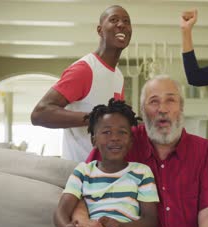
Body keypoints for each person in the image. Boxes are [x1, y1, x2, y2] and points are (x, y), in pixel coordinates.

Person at [76, 75, 208, 227]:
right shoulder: (120, 141)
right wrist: (82, 222)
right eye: (154, 101)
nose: (162, 109)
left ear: (181, 107)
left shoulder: (205, 152)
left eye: (170, 100)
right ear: (142, 111)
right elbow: (81, 187)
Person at [54, 99, 159, 227]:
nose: (115, 138)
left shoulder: (141, 172)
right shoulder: (83, 171)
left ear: (131, 141)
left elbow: (150, 219)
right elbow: (61, 211)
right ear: (94, 140)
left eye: (122, 132)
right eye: (107, 132)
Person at [31, 5, 132, 162]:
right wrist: (94, 118)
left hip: (105, 175)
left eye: (126, 21)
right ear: (100, 30)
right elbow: (39, 114)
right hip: (78, 174)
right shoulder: (84, 69)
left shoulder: (118, 76)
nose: (121, 25)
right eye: (114, 20)